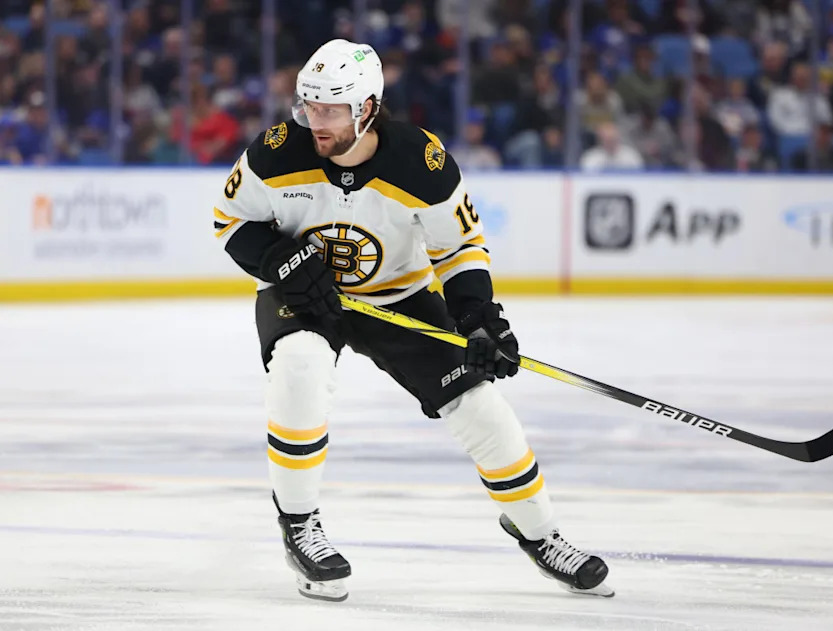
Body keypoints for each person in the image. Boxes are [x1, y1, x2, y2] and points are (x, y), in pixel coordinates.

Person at [212, 39, 612, 602]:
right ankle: (299, 525)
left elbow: (460, 245)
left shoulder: (421, 161)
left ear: (368, 108)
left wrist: (477, 316)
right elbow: (230, 221)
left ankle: (539, 532)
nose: (314, 122)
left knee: (482, 409)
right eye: (309, 107)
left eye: (330, 110)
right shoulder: (277, 151)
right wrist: (282, 260)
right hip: (304, 294)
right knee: (299, 369)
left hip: (398, 296)